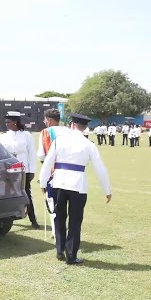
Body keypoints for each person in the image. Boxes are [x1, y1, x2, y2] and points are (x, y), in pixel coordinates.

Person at [38, 113, 112, 264]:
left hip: (59, 182)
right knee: (75, 221)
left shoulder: (59, 141)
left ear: (71, 124)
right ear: (85, 127)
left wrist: (43, 183)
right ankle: (71, 254)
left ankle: (60, 250)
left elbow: (47, 162)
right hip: (78, 185)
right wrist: (107, 190)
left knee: (59, 218)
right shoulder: (89, 144)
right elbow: (100, 169)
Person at [0, 111, 40, 229]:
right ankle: (5, 219)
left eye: (8, 122)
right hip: (7, 170)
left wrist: (32, 170)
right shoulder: (3, 136)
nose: (6, 124)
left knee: (26, 194)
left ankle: (33, 220)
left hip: (23, 169)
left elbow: (31, 153)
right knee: (5, 194)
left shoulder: (26, 135)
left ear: (16, 122)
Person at [37, 107, 70, 240]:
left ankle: (56, 232)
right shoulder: (69, 131)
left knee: (53, 203)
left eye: (45, 119)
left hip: (52, 172)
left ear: (49, 120)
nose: (44, 122)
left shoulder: (45, 132)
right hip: (69, 171)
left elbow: (41, 154)